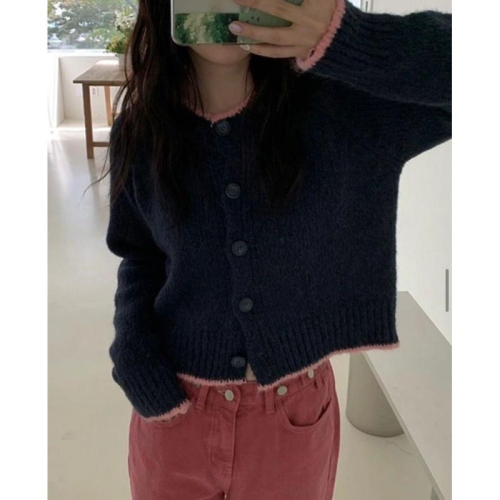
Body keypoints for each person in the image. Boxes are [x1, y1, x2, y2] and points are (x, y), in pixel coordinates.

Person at [103, 0, 451, 498]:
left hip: (293, 416)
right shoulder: (140, 130)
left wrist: (343, 35)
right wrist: (133, 351)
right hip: (172, 411)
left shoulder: (344, 109)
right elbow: (140, 254)